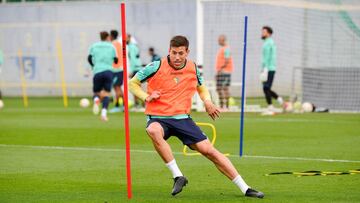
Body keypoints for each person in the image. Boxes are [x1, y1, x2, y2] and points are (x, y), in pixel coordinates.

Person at [129, 35, 264, 198]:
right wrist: (145, 97)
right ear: (169, 51)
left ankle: (245, 188)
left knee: (210, 151)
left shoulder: (193, 67)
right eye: (173, 53)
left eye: (180, 53)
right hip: (158, 117)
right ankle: (178, 176)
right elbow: (132, 83)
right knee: (153, 130)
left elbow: (201, 88)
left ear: (187, 52)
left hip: (183, 119)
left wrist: (207, 101)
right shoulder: (156, 66)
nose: (177, 57)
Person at [88, 31, 118, 121]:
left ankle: (96, 100)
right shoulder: (111, 46)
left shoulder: (94, 46)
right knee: (106, 94)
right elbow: (116, 59)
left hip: (97, 71)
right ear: (107, 37)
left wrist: (94, 66)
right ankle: (104, 114)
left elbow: (89, 58)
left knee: (96, 93)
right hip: (108, 71)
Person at [261, 26, 283, 114]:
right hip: (267, 68)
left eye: (264, 32)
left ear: (269, 33)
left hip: (269, 68)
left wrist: (266, 68)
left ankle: (272, 105)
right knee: (266, 88)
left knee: (266, 87)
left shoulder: (269, 43)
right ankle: (277, 102)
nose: (262, 33)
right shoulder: (267, 42)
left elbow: (269, 57)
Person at [215, 35, 233, 110]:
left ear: (223, 40)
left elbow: (227, 60)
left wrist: (220, 69)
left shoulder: (226, 49)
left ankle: (226, 106)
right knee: (220, 88)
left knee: (223, 88)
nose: (218, 41)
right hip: (222, 71)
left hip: (224, 71)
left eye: (220, 40)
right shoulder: (222, 49)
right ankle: (223, 106)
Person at [109, 30, 124, 113]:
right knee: (118, 88)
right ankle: (122, 106)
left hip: (116, 69)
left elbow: (113, 57)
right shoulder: (119, 43)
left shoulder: (113, 45)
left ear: (111, 36)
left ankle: (118, 106)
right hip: (120, 68)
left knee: (117, 88)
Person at [127, 34, 143, 109]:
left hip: (136, 68)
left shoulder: (131, 47)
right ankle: (140, 104)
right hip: (138, 67)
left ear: (129, 38)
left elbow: (133, 59)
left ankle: (139, 105)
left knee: (134, 87)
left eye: (126, 38)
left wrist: (132, 70)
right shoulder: (134, 46)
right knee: (137, 87)